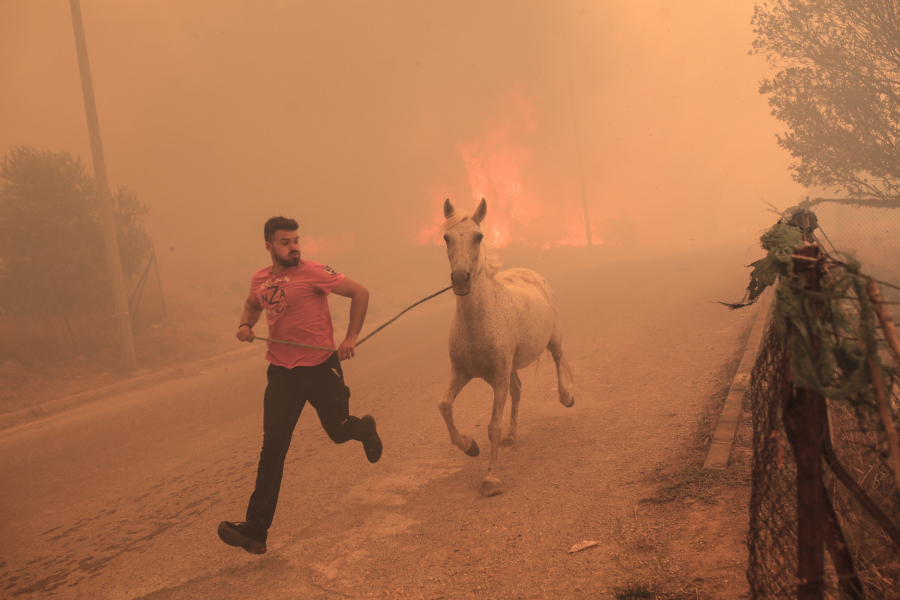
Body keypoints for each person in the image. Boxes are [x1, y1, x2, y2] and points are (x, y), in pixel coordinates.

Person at [218, 215, 382, 555]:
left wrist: (351, 337)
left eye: (295, 240)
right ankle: (256, 529)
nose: (293, 247)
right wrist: (245, 324)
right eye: (285, 242)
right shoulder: (260, 280)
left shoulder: (314, 271)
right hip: (282, 372)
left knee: (338, 432)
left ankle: (364, 429)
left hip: (321, 368)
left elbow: (360, 293)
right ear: (269, 246)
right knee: (273, 448)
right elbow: (252, 304)